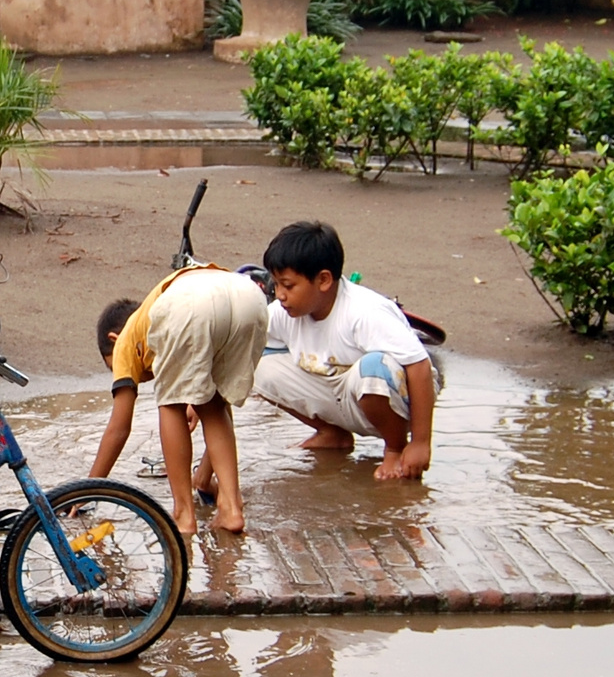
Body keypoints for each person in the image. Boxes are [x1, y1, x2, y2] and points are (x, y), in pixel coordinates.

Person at [86, 264, 268, 536]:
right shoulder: (154, 311)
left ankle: (183, 515)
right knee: (215, 405)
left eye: (114, 368)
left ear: (115, 338)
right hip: (249, 297)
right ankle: (230, 507)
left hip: (191, 305)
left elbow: (119, 428)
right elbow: (215, 416)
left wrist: (86, 492)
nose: (142, 379)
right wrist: (203, 479)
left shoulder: (125, 341)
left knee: (170, 404)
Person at [252, 221, 438, 481]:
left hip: (390, 395)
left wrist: (420, 442)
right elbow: (242, 342)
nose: (280, 295)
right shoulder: (284, 313)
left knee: (372, 369)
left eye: (288, 286)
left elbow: (420, 366)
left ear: (324, 280)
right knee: (255, 366)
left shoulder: (364, 312)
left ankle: (395, 447)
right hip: (338, 394)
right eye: (276, 285)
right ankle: (332, 434)